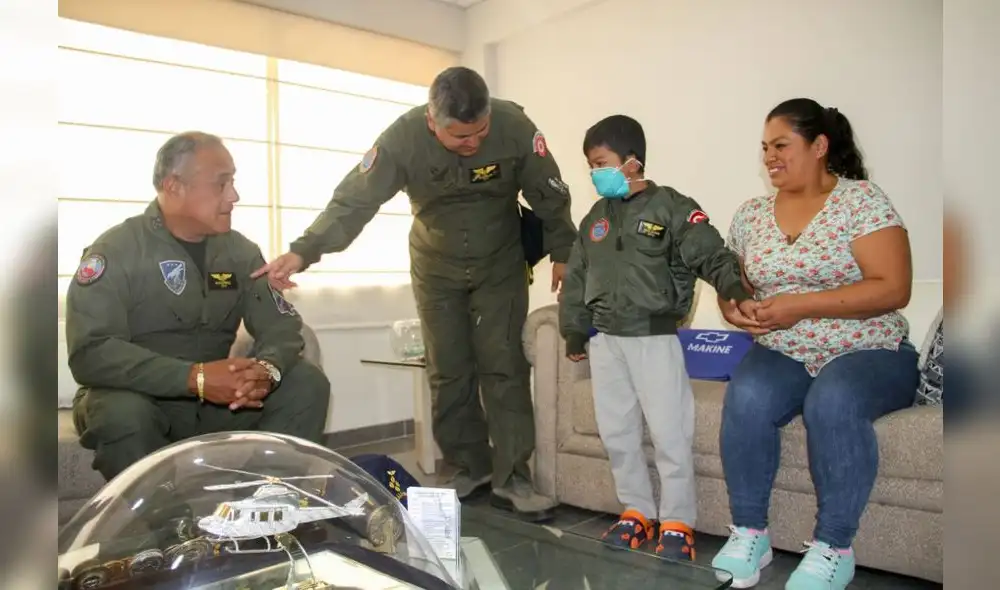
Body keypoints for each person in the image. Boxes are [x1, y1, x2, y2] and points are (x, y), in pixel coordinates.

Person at [251, 67, 577, 521]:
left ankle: (513, 478)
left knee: (503, 365)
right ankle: (469, 468)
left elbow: (549, 192)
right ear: (432, 120)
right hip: (435, 267)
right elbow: (353, 201)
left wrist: (564, 250)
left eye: (481, 132)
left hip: (499, 262)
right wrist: (304, 252)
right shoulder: (402, 139)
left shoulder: (514, 126)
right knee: (448, 370)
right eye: (461, 136)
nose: (474, 143)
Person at [711, 99, 918, 590]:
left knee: (833, 400)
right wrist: (734, 307)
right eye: (764, 148)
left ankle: (833, 548)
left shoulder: (861, 201)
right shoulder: (751, 214)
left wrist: (800, 304)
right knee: (746, 396)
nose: (769, 157)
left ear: (819, 146)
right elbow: (733, 283)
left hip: (869, 349)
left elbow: (893, 287)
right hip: (785, 349)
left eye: (781, 145)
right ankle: (750, 534)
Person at [67, 131, 331, 483]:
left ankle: (267, 508)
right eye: (221, 184)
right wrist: (196, 379)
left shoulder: (240, 253)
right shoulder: (116, 251)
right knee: (122, 414)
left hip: (216, 404)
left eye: (233, 182)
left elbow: (280, 325)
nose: (234, 196)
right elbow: (91, 352)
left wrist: (268, 370)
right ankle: (168, 532)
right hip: (140, 398)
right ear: (173, 185)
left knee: (306, 383)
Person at [559, 115, 755, 560]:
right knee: (618, 433)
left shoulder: (671, 206)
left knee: (669, 432)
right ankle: (637, 510)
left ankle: (677, 519)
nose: (594, 173)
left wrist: (732, 285)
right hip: (607, 341)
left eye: (600, 163)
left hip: (655, 340)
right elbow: (576, 278)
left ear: (632, 162)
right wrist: (574, 328)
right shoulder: (595, 219)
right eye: (589, 165)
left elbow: (709, 251)